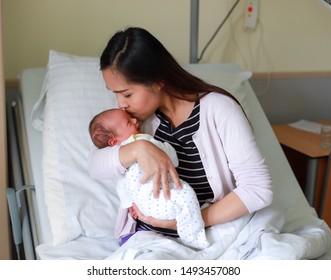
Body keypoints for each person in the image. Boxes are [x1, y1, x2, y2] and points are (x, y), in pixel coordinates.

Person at [87, 27, 273, 246]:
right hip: (149, 238)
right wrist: (139, 149)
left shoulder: (220, 110)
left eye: (127, 94)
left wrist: (189, 220)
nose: (121, 104)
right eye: (115, 94)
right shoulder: (132, 121)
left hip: (208, 232)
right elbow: (94, 165)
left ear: (157, 80)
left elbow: (258, 189)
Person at [88, 108, 210, 249]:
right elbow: (173, 159)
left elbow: (122, 185)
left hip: (149, 203)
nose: (134, 120)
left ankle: (190, 230)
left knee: (183, 199)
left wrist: (130, 205)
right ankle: (194, 238)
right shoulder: (136, 144)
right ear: (113, 141)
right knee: (186, 194)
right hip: (154, 198)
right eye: (128, 122)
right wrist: (161, 147)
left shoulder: (125, 153)